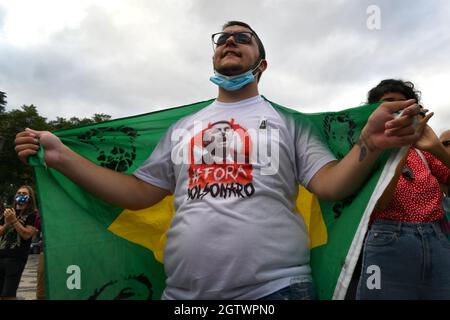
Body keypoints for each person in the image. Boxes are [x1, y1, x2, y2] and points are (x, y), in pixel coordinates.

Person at [15, 22, 423, 300]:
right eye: (223, 38)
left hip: (277, 290)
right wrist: (62, 156)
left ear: (261, 65)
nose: (230, 40)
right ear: (213, 60)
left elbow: (332, 184)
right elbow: (138, 194)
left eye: (243, 38)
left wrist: (368, 143)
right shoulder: (182, 127)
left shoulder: (290, 123)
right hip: (182, 293)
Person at [355, 79, 450, 299]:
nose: (400, 111)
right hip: (386, 241)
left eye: (405, 105)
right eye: (390, 104)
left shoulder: (425, 153)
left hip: (437, 238)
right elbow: (379, 204)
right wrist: (401, 145)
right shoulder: (366, 153)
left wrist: (437, 147)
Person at [0, 185, 37, 300]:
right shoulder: (8, 212)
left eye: (24, 194)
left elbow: (27, 234)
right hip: (1, 255)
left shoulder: (33, 214)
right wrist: (7, 223)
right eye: (19, 193)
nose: (21, 195)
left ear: (30, 198)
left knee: (8, 295)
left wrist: (14, 221)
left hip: (16, 258)